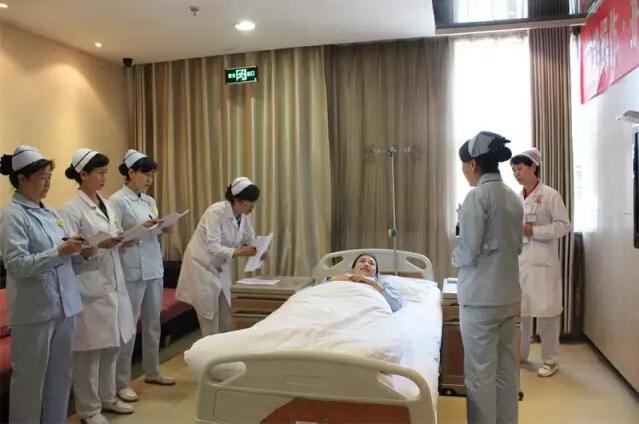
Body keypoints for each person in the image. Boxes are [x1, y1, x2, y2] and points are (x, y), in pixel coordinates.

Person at [0, 145, 95, 423]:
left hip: (65, 306)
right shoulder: (12, 216)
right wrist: (59, 251)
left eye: (49, 176)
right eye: (42, 177)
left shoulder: (52, 214)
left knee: (61, 376)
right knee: (29, 383)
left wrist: (82, 252)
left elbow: (63, 257)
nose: (48, 183)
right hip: (34, 313)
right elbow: (16, 265)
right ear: (22, 178)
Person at [59, 148, 136, 424]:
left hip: (113, 283)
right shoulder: (70, 209)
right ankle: (89, 410)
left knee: (112, 346)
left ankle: (108, 398)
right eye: (100, 173)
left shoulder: (107, 204)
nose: (105, 177)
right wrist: (94, 246)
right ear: (83, 174)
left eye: (105, 172)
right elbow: (68, 250)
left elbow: (111, 235)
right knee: (89, 354)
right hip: (88, 288)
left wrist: (123, 240)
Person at [452, 131, 523, 424]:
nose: (464, 171)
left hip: (480, 300)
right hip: (508, 297)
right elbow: (517, 246)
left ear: (474, 164)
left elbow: (467, 251)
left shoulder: (476, 197)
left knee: (479, 374)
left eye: (464, 165)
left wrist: (454, 257)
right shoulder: (513, 197)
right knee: (506, 371)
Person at [111, 150, 175, 403]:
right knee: (128, 327)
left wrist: (162, 228)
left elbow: (152, 231)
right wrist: (139, 229)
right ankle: (122, 381)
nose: (150, 179)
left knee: (153, 323)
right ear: (130, 173)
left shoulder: (148, 201)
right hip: (131, 271)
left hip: (153, 268)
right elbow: (115, 237)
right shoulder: (117, 201)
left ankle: (152, 370)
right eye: (145, 174)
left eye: (152, 175)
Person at [176, 177, 269, 337]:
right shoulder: (215, 212)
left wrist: (261, 249)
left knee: (226, 312)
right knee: (209, 316)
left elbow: (249, 237)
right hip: (201, 266)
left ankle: (223, 351)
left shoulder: (244, 215)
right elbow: (213, 247)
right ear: (236, 200)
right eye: (248, 202)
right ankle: (208, 352)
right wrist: (240, 252)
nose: (251, 207)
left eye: (253, 202)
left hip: (220, 267)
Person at [511, 148, 571, 378]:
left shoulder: (550, 195)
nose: (517, 174)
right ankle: (521, 354)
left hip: (543, 262)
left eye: (520, 169)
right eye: (514, 170)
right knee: (522, 312)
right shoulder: (516, 198)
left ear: (533, 167)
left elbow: (563, 226)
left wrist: (534, 231)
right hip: (521, 260)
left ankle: (550, 360)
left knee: (547, 313)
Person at [328, 253, 403, 312]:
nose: (366, 264)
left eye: (371, 263)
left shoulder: (380, 284)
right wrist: (336, 279)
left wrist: (372, 283)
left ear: (376, 273)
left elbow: (396, 305)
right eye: (362, 261)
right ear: (353, 268)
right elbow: (323, 292)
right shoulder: (341, 278)